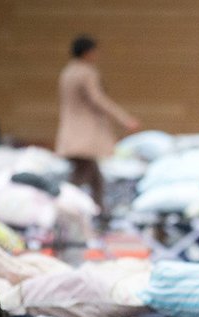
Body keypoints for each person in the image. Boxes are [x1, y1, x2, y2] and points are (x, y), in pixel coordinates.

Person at [55, 35, 140, 214]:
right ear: (88, 52)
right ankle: (61, 207)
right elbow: (98, 99)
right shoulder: (86, 72)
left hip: (71, 132)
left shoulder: (67, 72)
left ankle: (101, 211)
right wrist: (124, 119)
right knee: (81, 176)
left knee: (94, 177)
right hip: (86, 134)